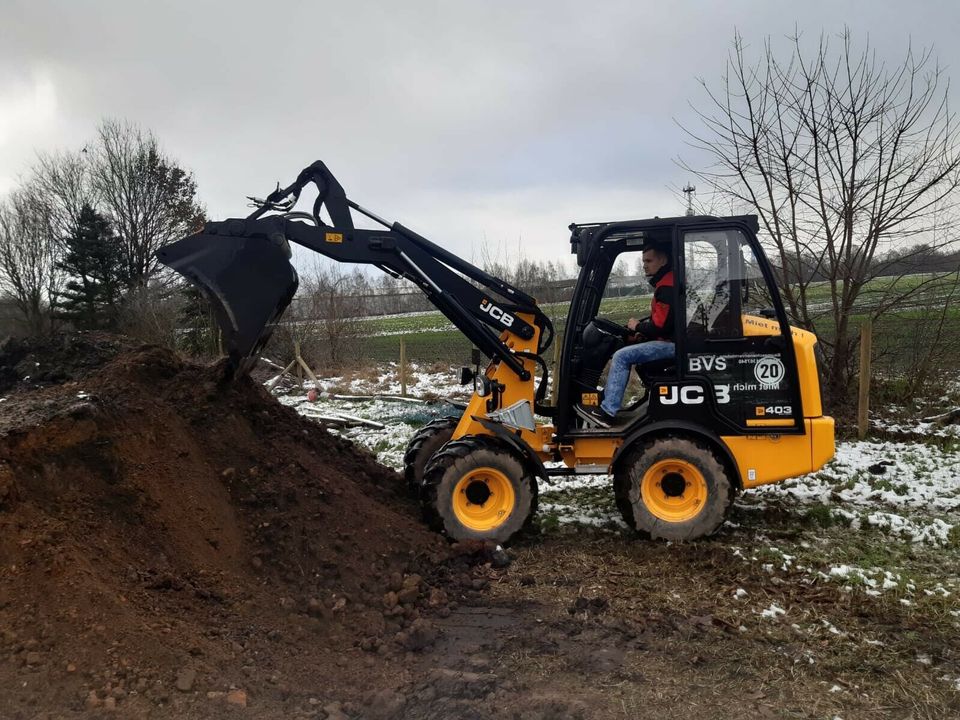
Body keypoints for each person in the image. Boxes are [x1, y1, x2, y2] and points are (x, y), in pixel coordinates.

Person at [576, 243, 676, 428]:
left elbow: (661, 326)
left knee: (622, 356)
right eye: (643, 261)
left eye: (649, 260)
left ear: (663, 260)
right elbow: (666, 324)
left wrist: (637, 325)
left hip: (673, 346)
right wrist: (640, 334)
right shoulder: (667, 283)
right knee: (627, 351)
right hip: (672, 342)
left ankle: (607, 412)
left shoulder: (667, 287)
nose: (645, 265)